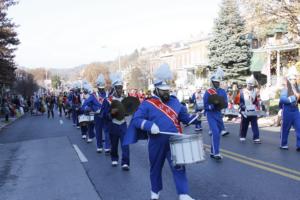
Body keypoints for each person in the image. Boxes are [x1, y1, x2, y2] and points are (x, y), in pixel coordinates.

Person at [126, 63, 198, 200]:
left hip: (175, 141)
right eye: (163, 90)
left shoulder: (175, 102)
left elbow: (185, 118)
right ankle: (155, 192)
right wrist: (149, 125)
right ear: (157, 89)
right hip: (156, 142)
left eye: (167, 90)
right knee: (155, 168)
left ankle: (183, 194)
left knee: (179, 166)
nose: (166, 92)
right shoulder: (148, 103)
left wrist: (195, 117)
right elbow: (136, 119)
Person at [102, 73, 130, 170]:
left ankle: (125, 162)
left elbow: (128, 111)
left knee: (125, 144)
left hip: (123, 124)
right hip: (113, 125)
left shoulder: (124, 99)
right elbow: (104, 114)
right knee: (114, 145)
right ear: (114, 88)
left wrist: (126, 113)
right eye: (118, 87)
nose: (120, 89)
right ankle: (114, 158)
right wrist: (111, 114)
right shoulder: (108, 100)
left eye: (121, 87)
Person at [204, 67, 228, 160]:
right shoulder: (208, 92)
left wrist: (221, 105)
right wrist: (212, 106)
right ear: (212, 82)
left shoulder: (222, 91)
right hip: (211, 114)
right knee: (215, 132)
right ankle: (216, 153)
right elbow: (206, 105)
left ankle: (212, 151)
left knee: (217, 133)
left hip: (218, 113)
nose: (217, 83)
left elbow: (225, 103)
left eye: (218, 82)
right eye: (215, 82)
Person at [279, 66, 300, 151]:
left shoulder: (297, 88)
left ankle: (299, 145)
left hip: (295, 111)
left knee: (299, 127)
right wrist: (294, 98)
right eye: (291, 79)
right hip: (287, 110)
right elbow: (282, 99)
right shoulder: (285, 88)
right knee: (285, 128)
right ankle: (283, 144)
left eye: (294, 79)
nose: (293, 80)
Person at [239, 75, 261, 144]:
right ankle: (242, 136)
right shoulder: (242, 91)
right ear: (247, 84)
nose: (251, 86)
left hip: (253, 110)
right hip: (245, 110)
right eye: (249, 85)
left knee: (255, 124)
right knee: (244, 124)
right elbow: (239, 102)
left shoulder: (255, 91)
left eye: (252, 85)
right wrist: (243, 107)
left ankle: (256, 137)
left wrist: (257, 106)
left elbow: (255, 101)